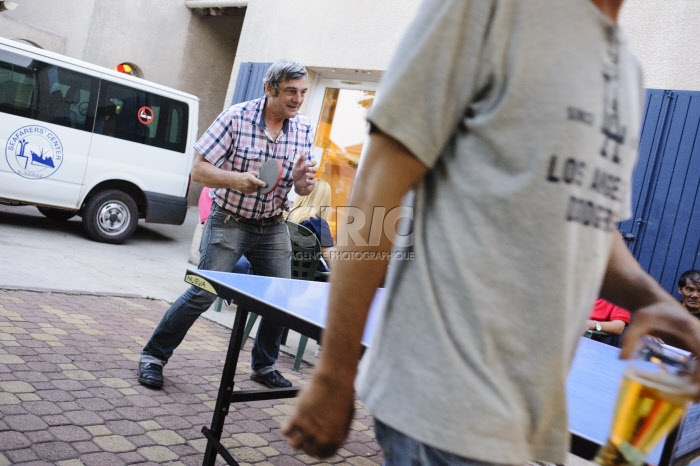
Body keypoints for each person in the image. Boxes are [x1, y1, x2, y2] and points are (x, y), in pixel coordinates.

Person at [281, 2, 700, 465]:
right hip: (442, 406)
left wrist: (658, 302)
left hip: (526, 421)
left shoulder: (626, 67)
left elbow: (591, 227)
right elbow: (376, 192)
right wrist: (334, 373)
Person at [138, 60, 317, 390]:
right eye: (290, 91)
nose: (298, 99)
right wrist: (236, 180)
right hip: (229, 219)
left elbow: (301, 187)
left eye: (303, 92)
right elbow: (200, 170)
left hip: (273, 223)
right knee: (203, 293)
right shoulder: (236, 117)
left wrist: (304, 182)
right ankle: (153, 356)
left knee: (281, 296)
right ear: (270, 89)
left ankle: (263, 366)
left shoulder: (304, 129)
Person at [286, 179, 335, 273]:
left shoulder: (285, 218)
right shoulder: (319, 223)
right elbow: (334, 265)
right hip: (312, 281)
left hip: (284, 277)